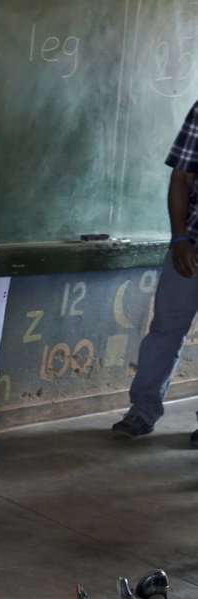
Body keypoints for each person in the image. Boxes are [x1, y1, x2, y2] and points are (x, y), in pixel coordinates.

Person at [112, 100, 198, 444]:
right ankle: (142, 411)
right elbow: (182, 177)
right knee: (166, 329)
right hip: (192, 245)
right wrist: (179, 238)